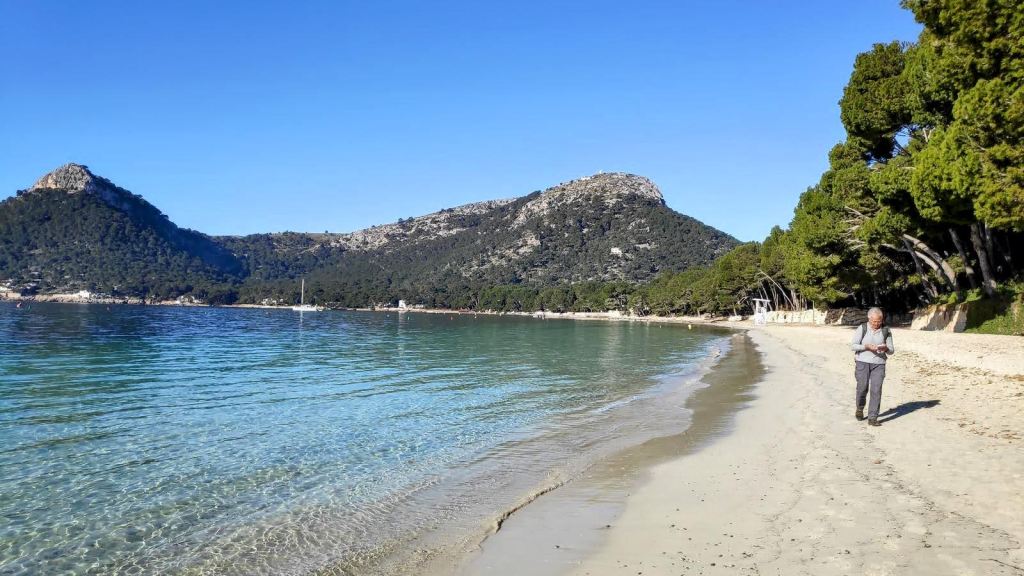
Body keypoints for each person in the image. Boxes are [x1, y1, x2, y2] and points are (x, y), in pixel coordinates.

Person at [851, 307, 894, 426]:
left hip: (879, 363)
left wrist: (886, 348)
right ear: (869, 319)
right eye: (874, 321)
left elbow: (891, 350)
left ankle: (873, 417)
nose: (876, 324)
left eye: (879, 321)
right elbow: (853, 346)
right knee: (862, 388)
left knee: (876, 390)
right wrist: (866, 347)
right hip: (862, 362)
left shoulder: (886, 330)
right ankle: (860, 408)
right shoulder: (862, 328)